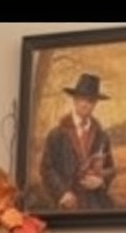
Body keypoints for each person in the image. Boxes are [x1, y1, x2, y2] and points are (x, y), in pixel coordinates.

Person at [40, 72, 116, 211]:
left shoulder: (102, 136)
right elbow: (46, 169)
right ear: (74, 99)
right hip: (67, 206)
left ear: (96, 104)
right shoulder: (56, 134)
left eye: (91, 101)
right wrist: (62, 193)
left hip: (95, 205)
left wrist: (101, 181)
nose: (86, 104)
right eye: (82, 98)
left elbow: (111, 168)